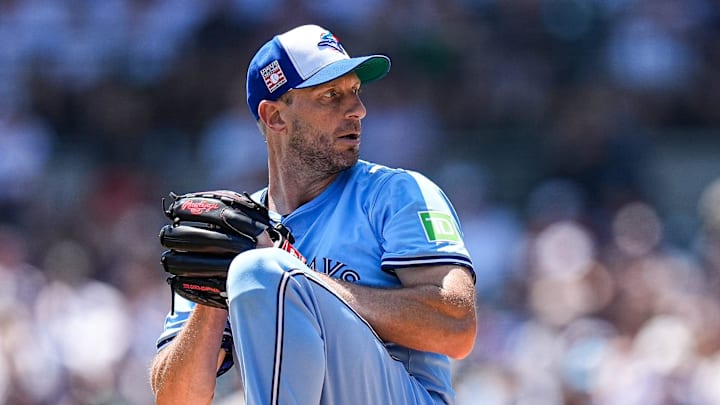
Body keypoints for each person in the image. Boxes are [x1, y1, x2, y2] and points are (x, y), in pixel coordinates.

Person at [149, 24, 477, 404]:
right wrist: (215, 294)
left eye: (354, 91)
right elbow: (176, 398)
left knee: (263, 271)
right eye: (331, 95)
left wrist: (302, 283)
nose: (357, 109)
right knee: (255, 271)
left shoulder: (395, 193)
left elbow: (457, 327)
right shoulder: (232, 232)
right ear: (275, 117)